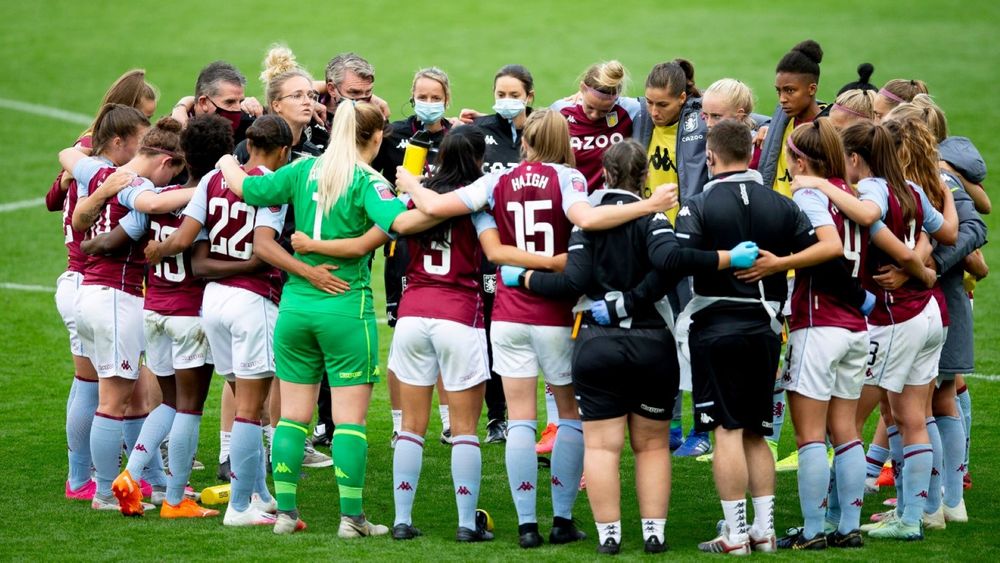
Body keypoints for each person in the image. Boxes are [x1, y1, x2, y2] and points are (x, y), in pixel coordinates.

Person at [394, 109, 677, 549]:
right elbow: (588, 220)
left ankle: (527, 525)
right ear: (563, 141)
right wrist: (650, 205)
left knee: (521, 421)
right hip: (558, 316)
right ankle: (562, 519)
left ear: (524, 141)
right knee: (569, 417)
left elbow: (431, 207)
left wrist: (410, 183)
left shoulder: (496, 181)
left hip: (508, 317)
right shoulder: (570, 179)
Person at [511, 140, 756, 554]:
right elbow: (670, 263)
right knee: (654, 445)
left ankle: (609, 537)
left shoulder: (587, 220)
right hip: (651, 346)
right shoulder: (654, 217)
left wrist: (526, 279)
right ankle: (653, 533)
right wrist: (727, 258)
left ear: (604, 174)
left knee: (602, 447)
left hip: (596, 347)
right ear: (644, 178)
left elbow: (574, 282)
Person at [213, 102, 438, 536]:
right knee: (350, 421)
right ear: (375, 140)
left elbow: (251, 191)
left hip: (296, 307)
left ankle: (284, 514)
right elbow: (400, 222)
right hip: (345, 307)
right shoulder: (368, 180)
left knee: (292, 417)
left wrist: (227, 161)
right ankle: (351, 519)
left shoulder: (303, 171)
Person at [793, 119, 957, 540]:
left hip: (892, 319)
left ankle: (836, 519)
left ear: (853, 158)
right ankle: (918, 513)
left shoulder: (870, 191)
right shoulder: (913, 188)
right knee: (912, 417)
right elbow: (943, 232)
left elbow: (871, 220)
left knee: (848, 424)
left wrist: (823, 186)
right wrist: (918, 262)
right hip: (927, 314)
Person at [674, 120, 823, 555]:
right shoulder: (783, 204)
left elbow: (681, 259)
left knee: (725, 430)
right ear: (752, 156)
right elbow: (816, 251)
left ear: (711, 157)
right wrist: (780, 265)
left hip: (715, 331)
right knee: (758, 432)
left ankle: (736, 534)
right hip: (766, 332)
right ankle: (764, 529)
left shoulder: (697, 204)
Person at [145, 115, 299, 526]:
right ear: (283, 151)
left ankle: (260, 494)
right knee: (251, 409)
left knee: (245, 398)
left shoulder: (213, 178)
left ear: (247, 144)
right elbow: (264, 250)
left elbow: (189, 240)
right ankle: (240, 506)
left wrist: (156, 253)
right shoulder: (273, 187)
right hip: (253, 303)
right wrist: (252, 264)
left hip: (211, 303)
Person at [747, 119, 873, 549]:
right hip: (857, 327)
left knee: (811, 436)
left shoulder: (811, 192)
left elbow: (829, 247)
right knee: (847, 431)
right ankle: (848, 527)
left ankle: (814, 530)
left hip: (821, 325)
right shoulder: (853, 193)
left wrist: (777, 265)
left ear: (799, 158)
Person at [59, 114, 187, 512]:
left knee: (128, 394)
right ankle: (101, 493)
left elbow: (67, 155)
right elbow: (152, 202)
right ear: (165, 162)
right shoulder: (139, 185)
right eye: (174, 174)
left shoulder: (100, 172)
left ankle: (140, 481)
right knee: (112, 401)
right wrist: (203, 188)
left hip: (90, 293)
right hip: (117, 297)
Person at [51, 81, 155, 501]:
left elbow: (53, 195)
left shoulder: (85, 166)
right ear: (120, 135)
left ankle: (83, 477)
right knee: (113, 393)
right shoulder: (113, 176)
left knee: (90, 383)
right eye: (142, 141)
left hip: (76, 282)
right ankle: (103, 485)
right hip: (99, 283)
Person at [372, 67, 456, 445]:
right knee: (403, 337)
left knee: (445, 333)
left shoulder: (458, 138)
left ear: (447, 100)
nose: (427, 104)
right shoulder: (393, 137)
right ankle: (397, 422)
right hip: (403, 248)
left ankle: (449, 420)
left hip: (447, 247)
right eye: (421, 97)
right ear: (411, 98)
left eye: (435, 98)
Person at [632, 59, 711, 455]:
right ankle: (672, 426)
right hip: (650, 241)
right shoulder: (641, 119)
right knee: (662, 337)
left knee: (692, 335)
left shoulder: (701, 124)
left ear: (684, 98)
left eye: (662, 104)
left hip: (687, 245)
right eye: (648, 102)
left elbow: (747, 111)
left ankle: (703, 430)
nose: (653, 111)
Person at [755, 39, 827, 469]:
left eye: (791, 92)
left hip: (810, 251)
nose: (782, 99)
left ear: (812, 89)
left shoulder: (823, 132)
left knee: (807, 352)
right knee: (779, 350)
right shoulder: (779, 127)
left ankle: (819, 445)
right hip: (778, 248)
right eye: (779, 91)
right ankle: (773, 443)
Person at [472, 64, 538, 443]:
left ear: (529, 95)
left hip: (533, 246)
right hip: (492, 249)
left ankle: (542, 421)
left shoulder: (541, 131)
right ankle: (499, 417)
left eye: (514, 94)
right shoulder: (479, 130)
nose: (507, 101)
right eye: (501, 94)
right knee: (494, 332)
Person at [551, 60, 641, 192]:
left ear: (617, 97)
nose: (594, 115)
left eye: (604, 111)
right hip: (572, 201)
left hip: (612, 203)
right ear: (582, 88)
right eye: (590, 107)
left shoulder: (632, 110)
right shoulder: (560, 111)